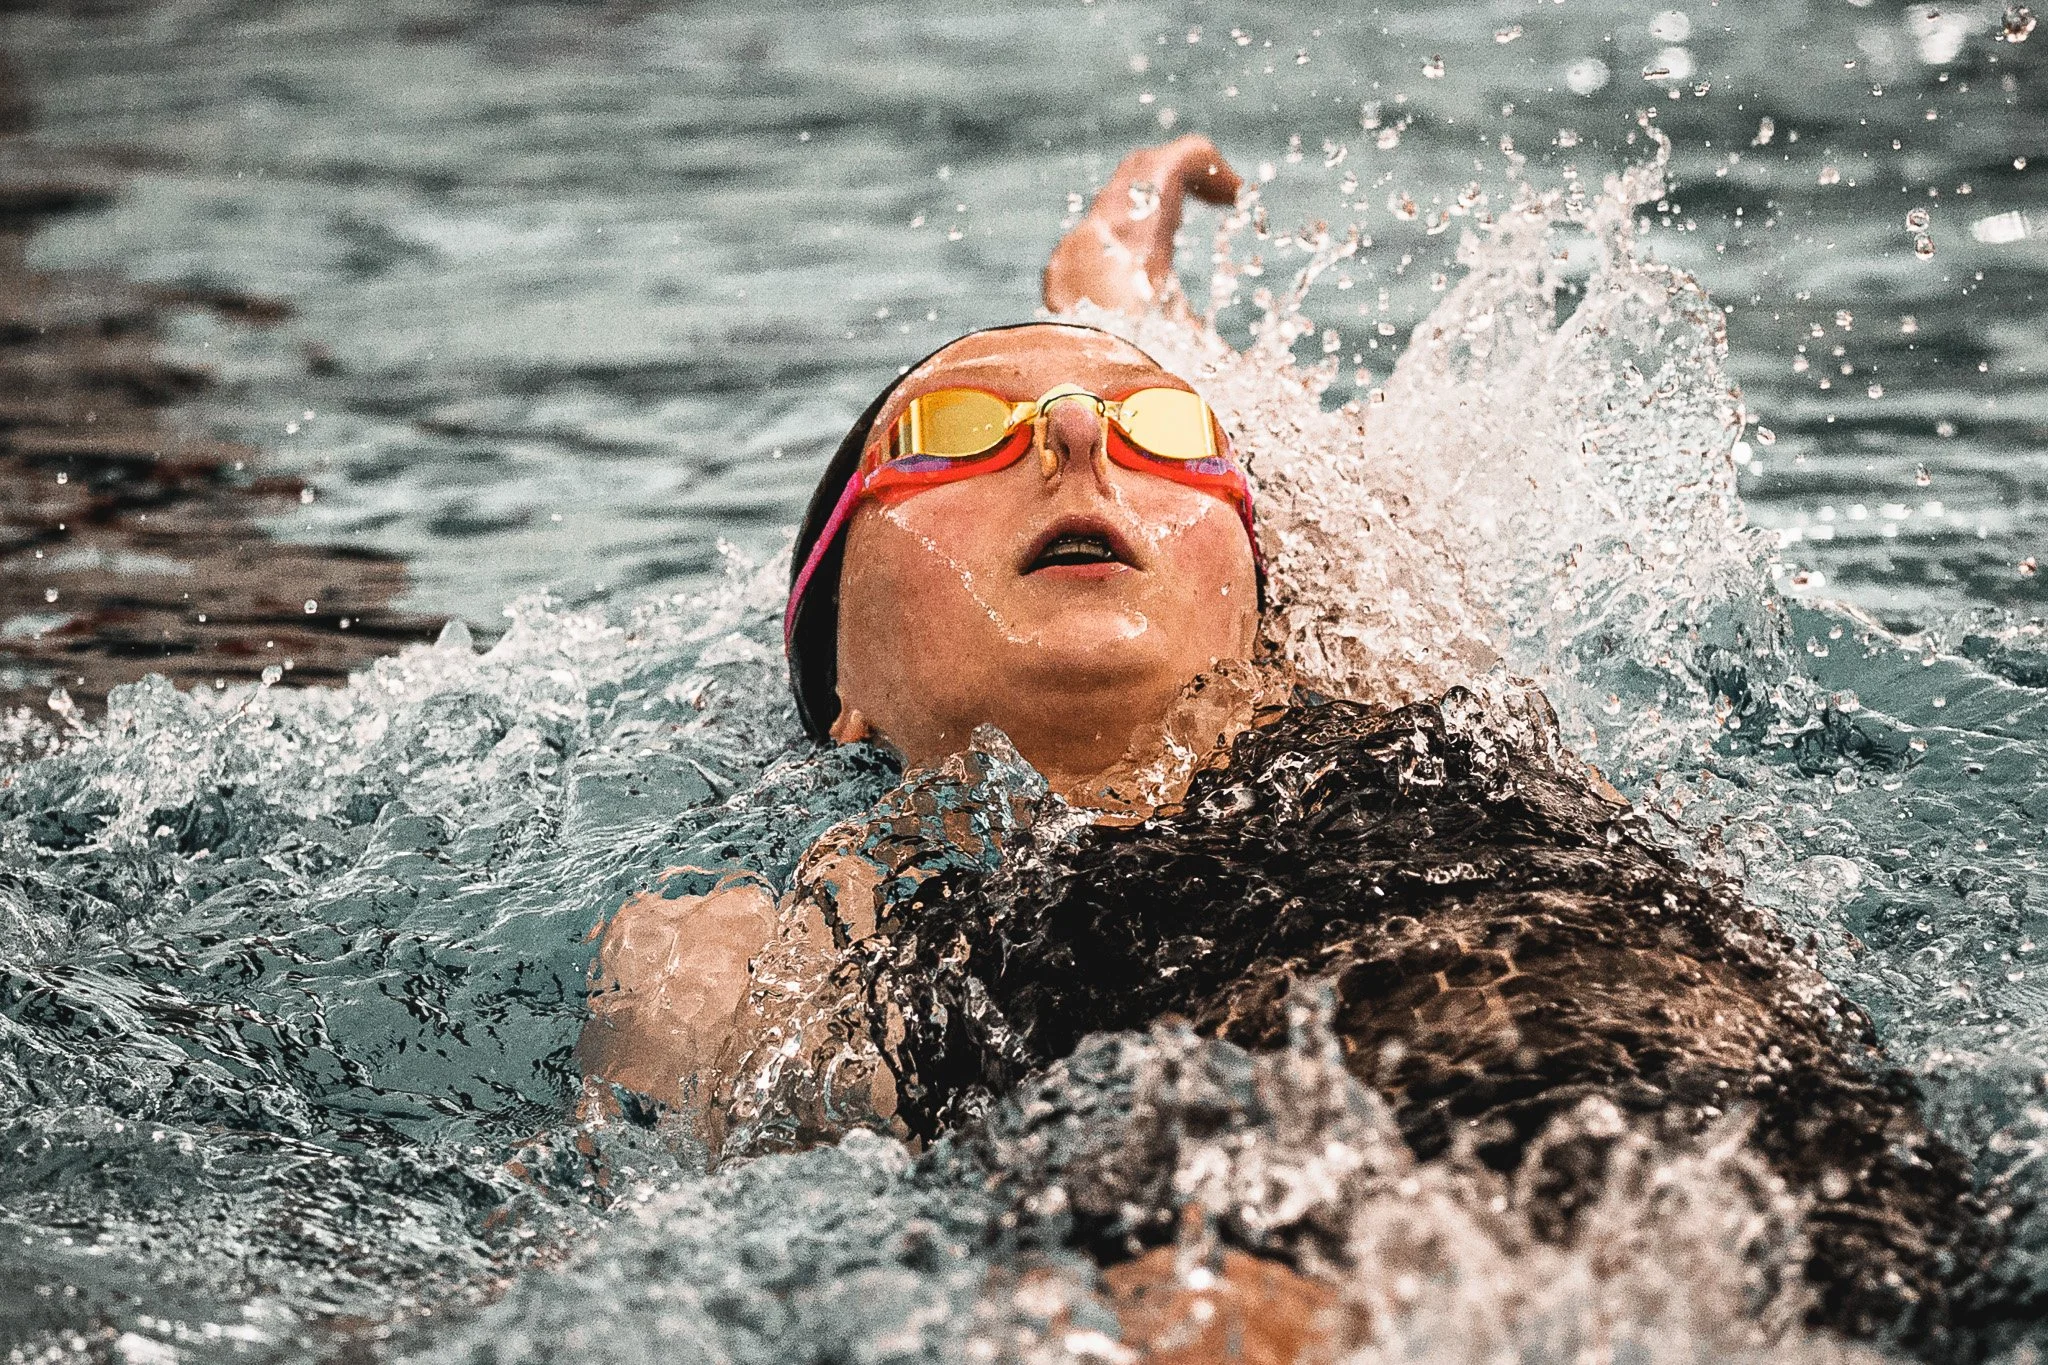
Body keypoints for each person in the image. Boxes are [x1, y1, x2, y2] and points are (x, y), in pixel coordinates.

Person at [578, 137, 2004, 1359]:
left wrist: (1115, 299)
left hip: (1785, 1172)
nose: (1077, 435)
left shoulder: (1388, 674)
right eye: (959, 430)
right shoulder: (784, 935)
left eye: (1155, 427)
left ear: (1253, 592)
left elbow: (1311, 486)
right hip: (1262, 1260)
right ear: (841, 678)